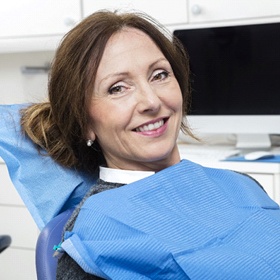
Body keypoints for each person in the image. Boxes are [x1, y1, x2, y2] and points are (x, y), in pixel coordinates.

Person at [20, 10, 280, 280]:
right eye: (118, 88)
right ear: (84, 121)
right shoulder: (96, 238)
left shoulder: (241, 184)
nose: (152, 101)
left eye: (159, 75)